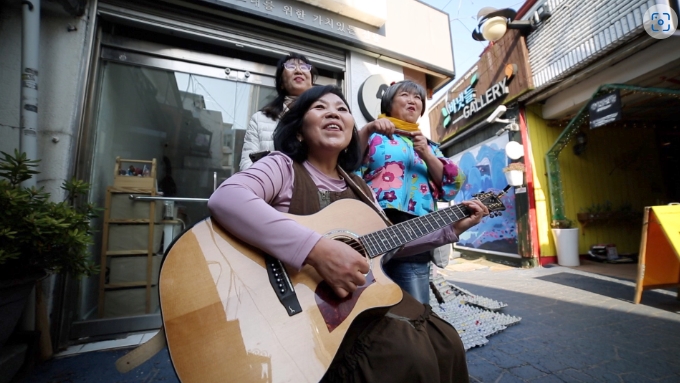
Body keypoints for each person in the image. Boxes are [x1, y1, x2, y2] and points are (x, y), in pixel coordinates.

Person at [208, 85, 488, 382]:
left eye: (342, 109)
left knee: (446, 342)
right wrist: (317, 250)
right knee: (408, 356)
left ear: (349, 136)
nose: (333, 112)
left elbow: (385, 244)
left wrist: (449, 230)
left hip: (347, 306)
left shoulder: (360, 187)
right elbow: (226, 198)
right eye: (319, 107)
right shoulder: (282, 166)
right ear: (299, 130)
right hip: (295, 313)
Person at [357, 80, 465, 304]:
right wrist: (368, 129)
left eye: (417, 98)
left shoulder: (431, 146)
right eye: (404, 95)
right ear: (389, 102)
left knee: (415, 308)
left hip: (417, 234)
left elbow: (451, 187)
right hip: (372, 230)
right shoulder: (373, 136)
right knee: (368, 306)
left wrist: (427, 154)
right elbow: (348, 165)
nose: (412, 100)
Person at [239, 52, 317, 170]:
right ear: (281, 83)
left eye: (304, 67)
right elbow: (247, 164)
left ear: (311, 83)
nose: (298, 71)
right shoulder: (260, 119)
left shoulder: (322, 116)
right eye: (291, 66)